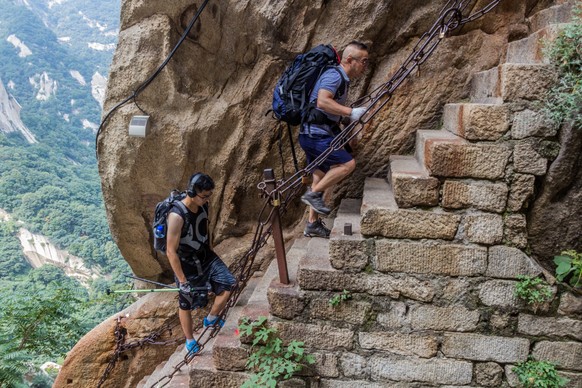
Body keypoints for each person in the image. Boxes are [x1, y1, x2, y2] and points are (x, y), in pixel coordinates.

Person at [299, 41, 369, 238]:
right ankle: (313, 195)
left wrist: (347, 124)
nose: (365, 66)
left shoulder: (341, 79)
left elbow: (331, 111)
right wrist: (351, 112)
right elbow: (323, 101)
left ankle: (312, 224)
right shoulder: (334, 75)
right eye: (363, 61)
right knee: (347, 164)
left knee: (320, 174)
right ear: (349, 60)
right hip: (316, 134)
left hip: (313, 133)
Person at [165, 173, 236, 352]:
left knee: (228, 285)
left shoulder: (203, 206)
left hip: (205, 256)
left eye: (208, 196)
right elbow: (170, 251)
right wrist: (182, 281)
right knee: (186, 303)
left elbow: (205, 228)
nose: (206, 200)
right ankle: (190, 340)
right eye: (204, 196)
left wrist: (211, 250)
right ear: (191, 192)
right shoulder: (177, 216)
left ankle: (211, 319)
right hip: (186, 263)